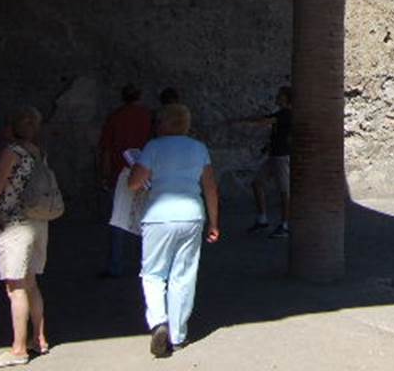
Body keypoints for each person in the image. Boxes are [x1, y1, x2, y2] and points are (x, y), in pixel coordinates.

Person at [128, 104, 219, 358]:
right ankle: (178, 334)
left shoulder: (153, 147)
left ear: (164, 123)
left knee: (153, 273)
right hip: (192, 215)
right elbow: (210, 187)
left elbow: (134, 182)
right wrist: (214, 222)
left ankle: (159, 322)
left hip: (159, 216)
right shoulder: (199, 148)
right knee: (184, 275)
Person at [0, 106, 50, 368]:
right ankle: (40, 338)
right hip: (38, 224)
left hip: (13, 226)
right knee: (31, 283)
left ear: (11, 128)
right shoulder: (39, 153)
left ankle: (18, 349)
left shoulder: (11, 153)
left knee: (16, 288)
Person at [97, 84, 153, 277]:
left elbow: (106, 149)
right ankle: (146, 263)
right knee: (144, 218)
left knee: (118, 220)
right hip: (144, 172)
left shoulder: (115, 117)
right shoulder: (147, 116)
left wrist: (104, 174)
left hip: (119, 172)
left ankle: (115, 265)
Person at [232, 86, 292, 238]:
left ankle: (285, 225)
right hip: (274, 156)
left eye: (280, 95)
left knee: (284, 191)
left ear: (286, 98)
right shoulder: (280, 114)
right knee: (257, 183)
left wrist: (243, 122)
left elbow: (265, 120)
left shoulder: (287, 114)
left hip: (282, 156)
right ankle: (262, 219)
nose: (277, 97)